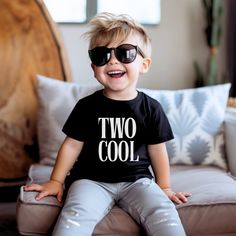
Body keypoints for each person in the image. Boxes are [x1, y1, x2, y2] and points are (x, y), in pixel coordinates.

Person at [24, 12, 191, 236]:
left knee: (163, 211)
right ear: (94, 69)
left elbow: (157, 149)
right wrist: (56, 180)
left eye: (125, 53)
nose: (113, 60)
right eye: (101, 55)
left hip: (137, 181)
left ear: (144, 64)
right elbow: (72, 145)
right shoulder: (87, 107)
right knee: (75, 215)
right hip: (90, 181)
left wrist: (165, 187)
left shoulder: (151, 108)